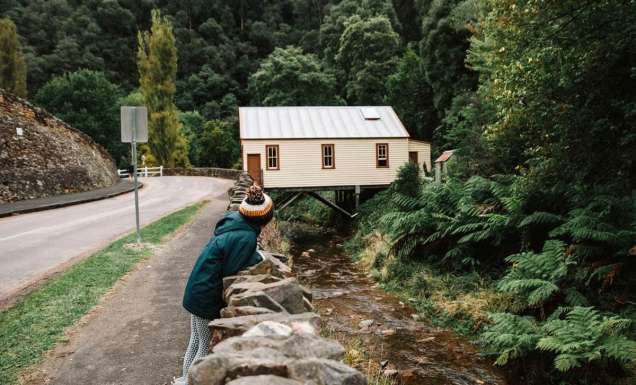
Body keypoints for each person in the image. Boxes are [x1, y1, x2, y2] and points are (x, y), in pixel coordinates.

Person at [173, 185, 274, 385]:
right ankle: (188, 382)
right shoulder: (245, 236)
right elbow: (233, 268)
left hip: (196, 289)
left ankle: (184, 379)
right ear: (264, 219)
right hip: (206, 296)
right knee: (204, 345)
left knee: (195, 340)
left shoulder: (235, 224)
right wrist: (258, 257)